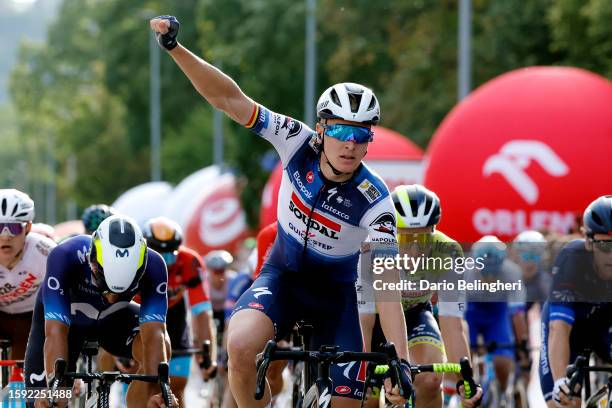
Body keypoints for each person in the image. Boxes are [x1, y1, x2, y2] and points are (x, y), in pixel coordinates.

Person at [149, 15, 413, 407]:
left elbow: (386, 288)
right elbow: (230, 100)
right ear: (321, 128)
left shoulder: (375, 201)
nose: (350, 145)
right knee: (239, 347)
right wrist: (175, 49)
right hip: (283, 278)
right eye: (340, 131)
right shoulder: (295, 141)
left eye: (361, 135)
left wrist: (401, 362)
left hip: (338, 297)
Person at [24, 215, 176, 408]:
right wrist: (57, 387)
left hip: (113, 319)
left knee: (161, 349)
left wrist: (158, 391)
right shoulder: (65, 255)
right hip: (67, 321)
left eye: (122, 290)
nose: (111, 297)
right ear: (93, 261)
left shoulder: (155, 265)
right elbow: (55, 334)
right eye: (104, 286)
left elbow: (155, 334)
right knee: (46, 401)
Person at [358, 184, 482, 408]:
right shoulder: (370, 250)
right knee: (367, 396)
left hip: (415, 314)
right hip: (371, 318)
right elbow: (364, 320)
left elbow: (452, 322)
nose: (414, 250)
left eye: (422, 239)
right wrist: (361, 374)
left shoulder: (448, 251)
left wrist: (465, 380)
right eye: (406, 240)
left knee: (431, 379)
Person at [539, 195, 612, 408]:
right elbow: (558, 328)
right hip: (570, 331)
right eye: (605, 246)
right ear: (589, 242)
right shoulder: (572, 259)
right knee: (565, 402)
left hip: (605, 328)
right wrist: (561, 382)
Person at [143, 216, 217, 405]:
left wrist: (208, 354)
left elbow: (202, 313)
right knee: (146, 389)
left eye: (170, 256)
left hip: (175, 320)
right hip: (141, 318)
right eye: (160, 256)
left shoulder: (190, 262)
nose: (165, 264)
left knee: (175, 389)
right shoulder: (138, 263)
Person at [464, 236, 528, 405]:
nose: (490, 277)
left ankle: (503, 391)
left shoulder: (512, 272)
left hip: (497, 313)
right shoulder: (464, 272)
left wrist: (522, 344)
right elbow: (456, 318)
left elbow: (517, 314)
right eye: (485, 272)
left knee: (502, 361)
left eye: (494, 272)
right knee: (464, 360)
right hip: (471, 312)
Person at [0, 189, 56, 363]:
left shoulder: (45, 252)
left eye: (14, 227)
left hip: (30, 318)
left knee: (24, 368)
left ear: (28, 228)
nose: (5, 236)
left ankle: (19, 388)